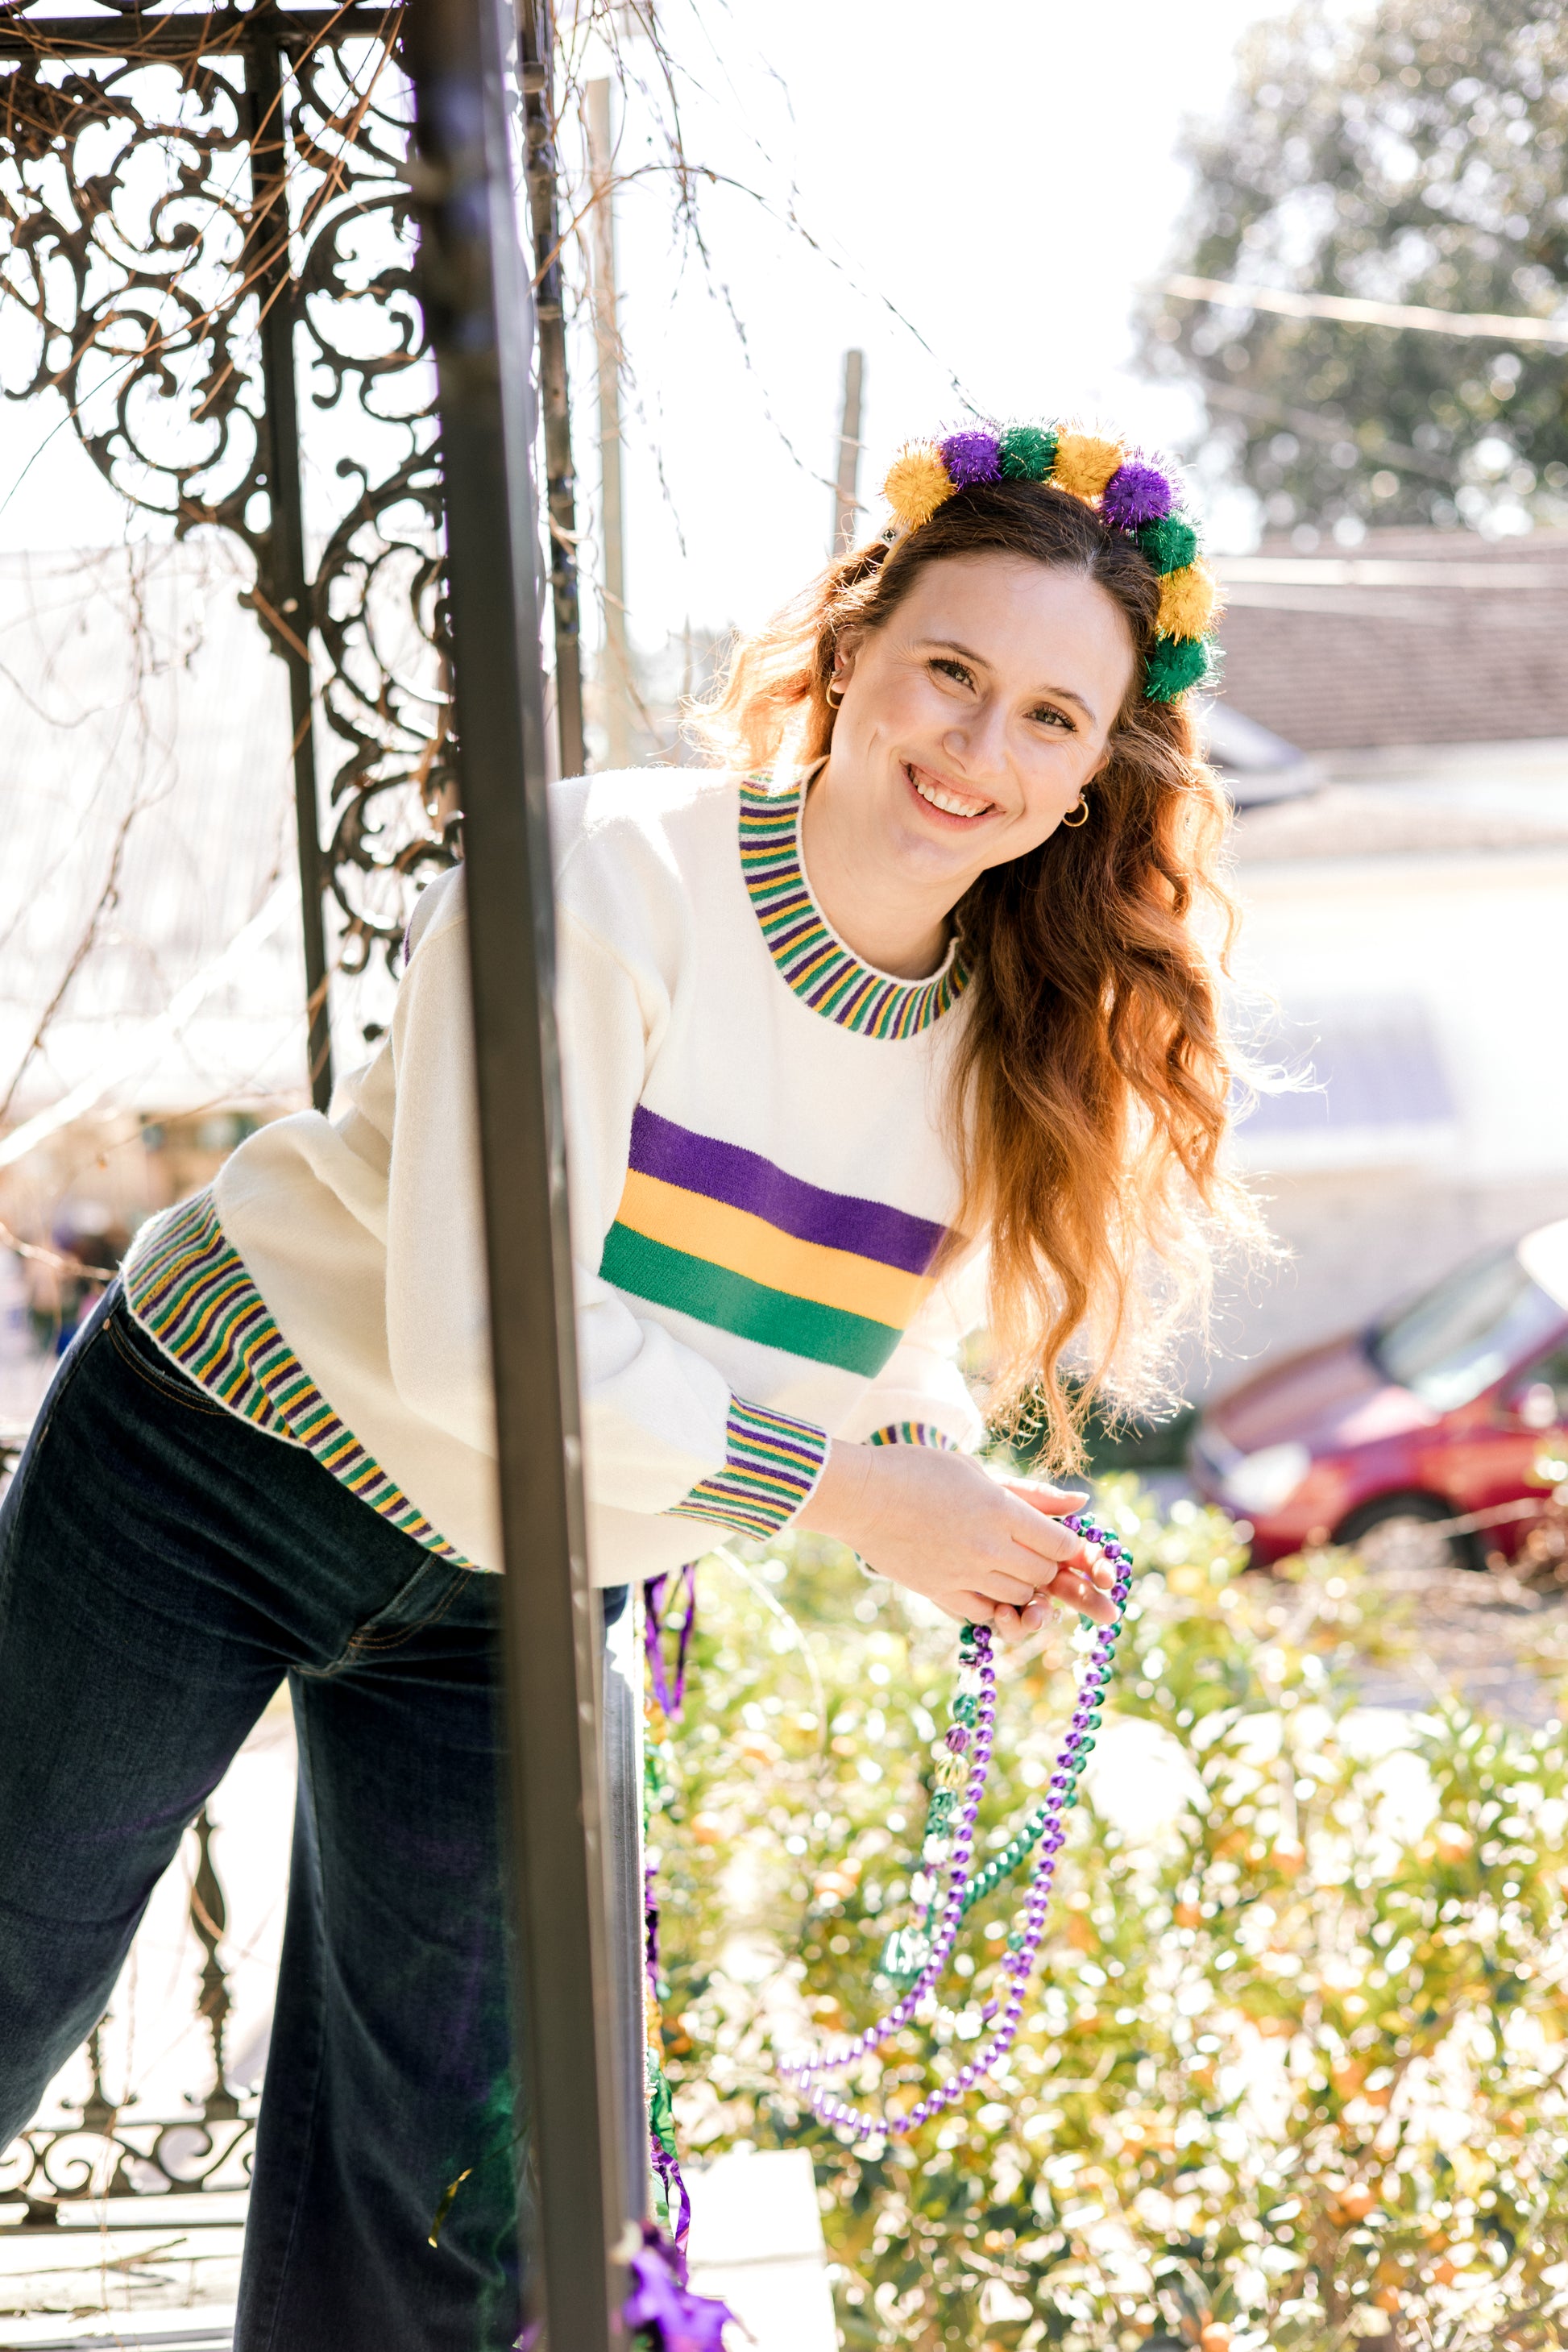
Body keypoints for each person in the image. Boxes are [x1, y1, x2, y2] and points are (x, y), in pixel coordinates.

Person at [0, 419, 1258, 2350]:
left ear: (1096, 772)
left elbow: (874, 1345)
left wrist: (946, 1496)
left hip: (521, 1580)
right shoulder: (605, 875)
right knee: (19, 1957)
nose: (977, 746)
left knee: (452, 2178)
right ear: (850, 649)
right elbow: (481, 1327)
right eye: (949, 668)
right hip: (223, 1455)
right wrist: (853, 1494)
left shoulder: (1011, 1044)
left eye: (1047, 717)